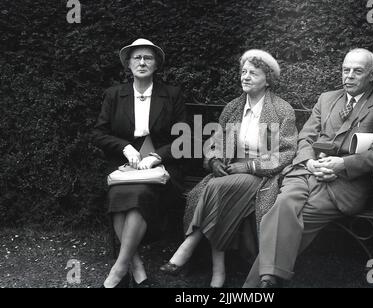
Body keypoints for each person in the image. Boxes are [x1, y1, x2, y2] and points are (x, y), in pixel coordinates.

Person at [243, 48, 373, 288]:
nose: (348, 76)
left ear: (372, 74)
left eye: (357, 71)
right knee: (282, 206)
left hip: (344, 185)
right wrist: (309, 161)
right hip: (306, 173)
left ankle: (260, 284)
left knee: (295, 221)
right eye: (345, 70)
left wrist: (342, 164)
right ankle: (269, 280)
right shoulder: (326, 98)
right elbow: (305, 138)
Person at [160, 49, 298, 288]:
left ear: (268, 79)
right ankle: (218, 272)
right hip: (230, 172)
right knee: (216, 189)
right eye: (243, 72)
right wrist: (214, 160)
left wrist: (251, 165)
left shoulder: (282, 110)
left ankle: (189, 247)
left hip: (262, 175)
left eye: (253, 73)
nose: (245, 77)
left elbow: (286, 152)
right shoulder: (233, 107)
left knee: (213, 188)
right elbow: (217, 141)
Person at [92, 38, 186, 288]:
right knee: (121, 194)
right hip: (125, 167)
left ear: (156, 65)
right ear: (128, 64)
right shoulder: (114, 94)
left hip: (161, 170)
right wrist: (124, 147)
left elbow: (186, 137)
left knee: (139, 194)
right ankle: (135, 265)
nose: (142, 62)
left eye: (148, 58)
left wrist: (157, 156)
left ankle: (120, 268)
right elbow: (99, 134)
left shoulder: (172, 94)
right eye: (137, 57)